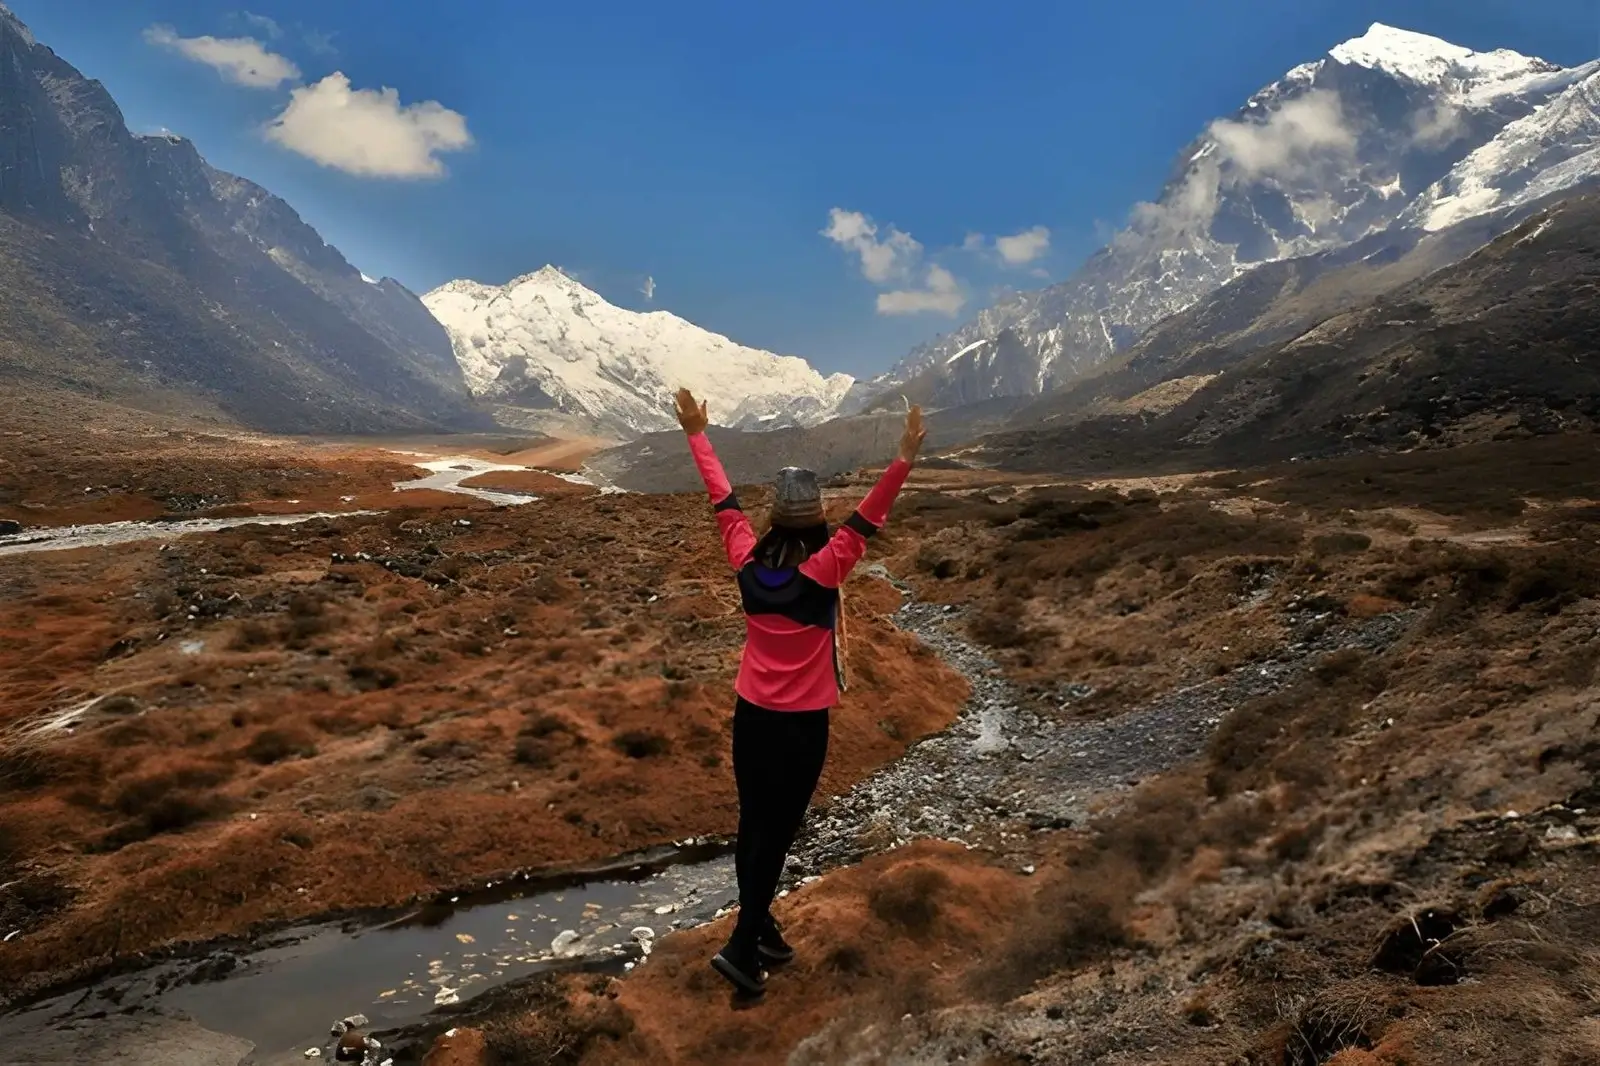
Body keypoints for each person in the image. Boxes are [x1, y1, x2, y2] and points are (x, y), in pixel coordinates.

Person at [673, 388, 927, 996]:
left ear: (773, 518)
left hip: (750, 715)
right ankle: (742, 944)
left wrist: (696, 432)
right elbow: (871, 515)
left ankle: (759, 931)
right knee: (779, 832)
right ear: (817, 519)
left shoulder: (745, 559)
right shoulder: (828, 568)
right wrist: (904, 459)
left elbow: (722, 498)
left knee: (754, 825)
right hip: (801, 725)